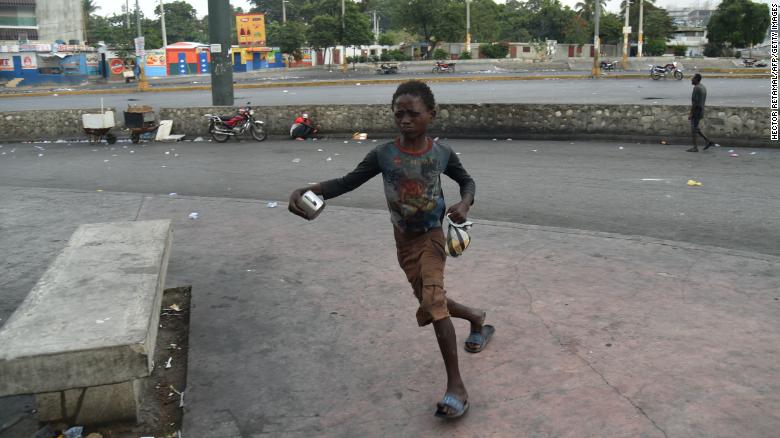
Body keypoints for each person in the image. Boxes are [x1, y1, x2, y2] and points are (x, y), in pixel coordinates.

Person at [288, 80, 495, 419]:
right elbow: (347, 182)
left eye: (413, 113)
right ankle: (476, 317)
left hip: (431, 238)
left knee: (433, 301)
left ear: (431, 114)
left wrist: (466, 204)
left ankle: (456, 385)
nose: (405, 120)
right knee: (432, 301)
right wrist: (308, 189)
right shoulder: (383, 155)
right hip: (403, 241)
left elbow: (467, 182)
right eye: (399, 114)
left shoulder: (441, 154)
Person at [686, 73, 719, 152]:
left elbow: (695, 103)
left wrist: (691, 113)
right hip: (701, 110)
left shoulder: (696, 88)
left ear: (696, 79)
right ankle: (708, 141)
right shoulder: (703, 87)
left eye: (693, 78)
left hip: (697, 111)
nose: (691, 79)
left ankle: (695, 147)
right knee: (696, 128)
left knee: (693, 129)